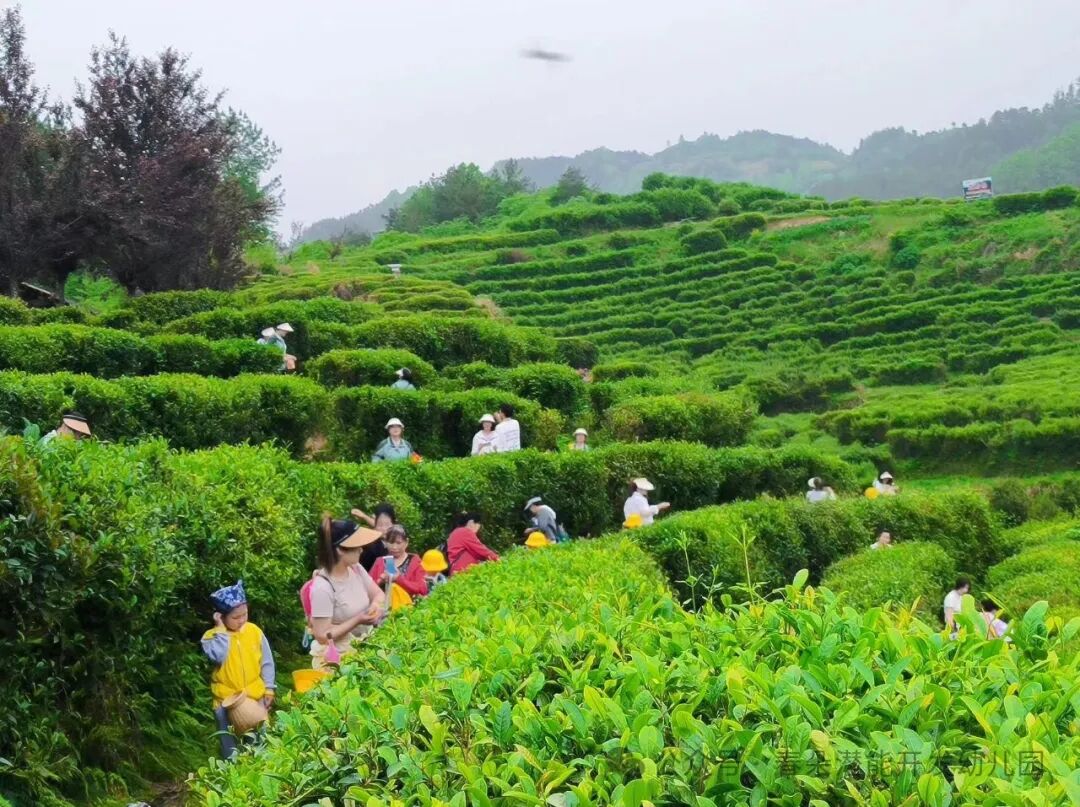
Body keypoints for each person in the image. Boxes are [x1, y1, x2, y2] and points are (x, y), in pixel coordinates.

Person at [200, 580, 275, 759]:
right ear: (221, 616)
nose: (241, 620)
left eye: (245, 614)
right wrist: (220, 631)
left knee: (261, 740)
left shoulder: (254, 632)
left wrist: (269, 688)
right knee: (230, 745)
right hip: (225, 701)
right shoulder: (211, 638)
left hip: (254, 696)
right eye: (235, 617)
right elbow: (218, 656)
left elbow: (266, 661)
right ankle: (231, 771)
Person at [309, 516, 386, 669]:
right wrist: (358, 620)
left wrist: (375, 606)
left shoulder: (356, 568)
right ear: (339, 550)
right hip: (337, 661)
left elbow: (378, 594)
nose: (361, 550)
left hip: (362, 650)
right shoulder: (322, 588)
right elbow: (322, 635)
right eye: (356, 546)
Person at [370, 525, 428, 598]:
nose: (394, 547)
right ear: (386, 543)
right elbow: (368, 587)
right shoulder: (381, 561)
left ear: (406, 542)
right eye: (391, 542)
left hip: (408, 604)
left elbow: (422, 589)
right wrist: (380, 581)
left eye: (398, 543)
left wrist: (399, 579)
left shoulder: (414, 561)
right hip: (384, 603)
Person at [350, 503, 394, 571]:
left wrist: (364, 516)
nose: (384, 529)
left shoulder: (396, 543)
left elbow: (391, 571)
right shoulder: (372, 548)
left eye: (387, 524)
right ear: (375, 526)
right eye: (380, 525)